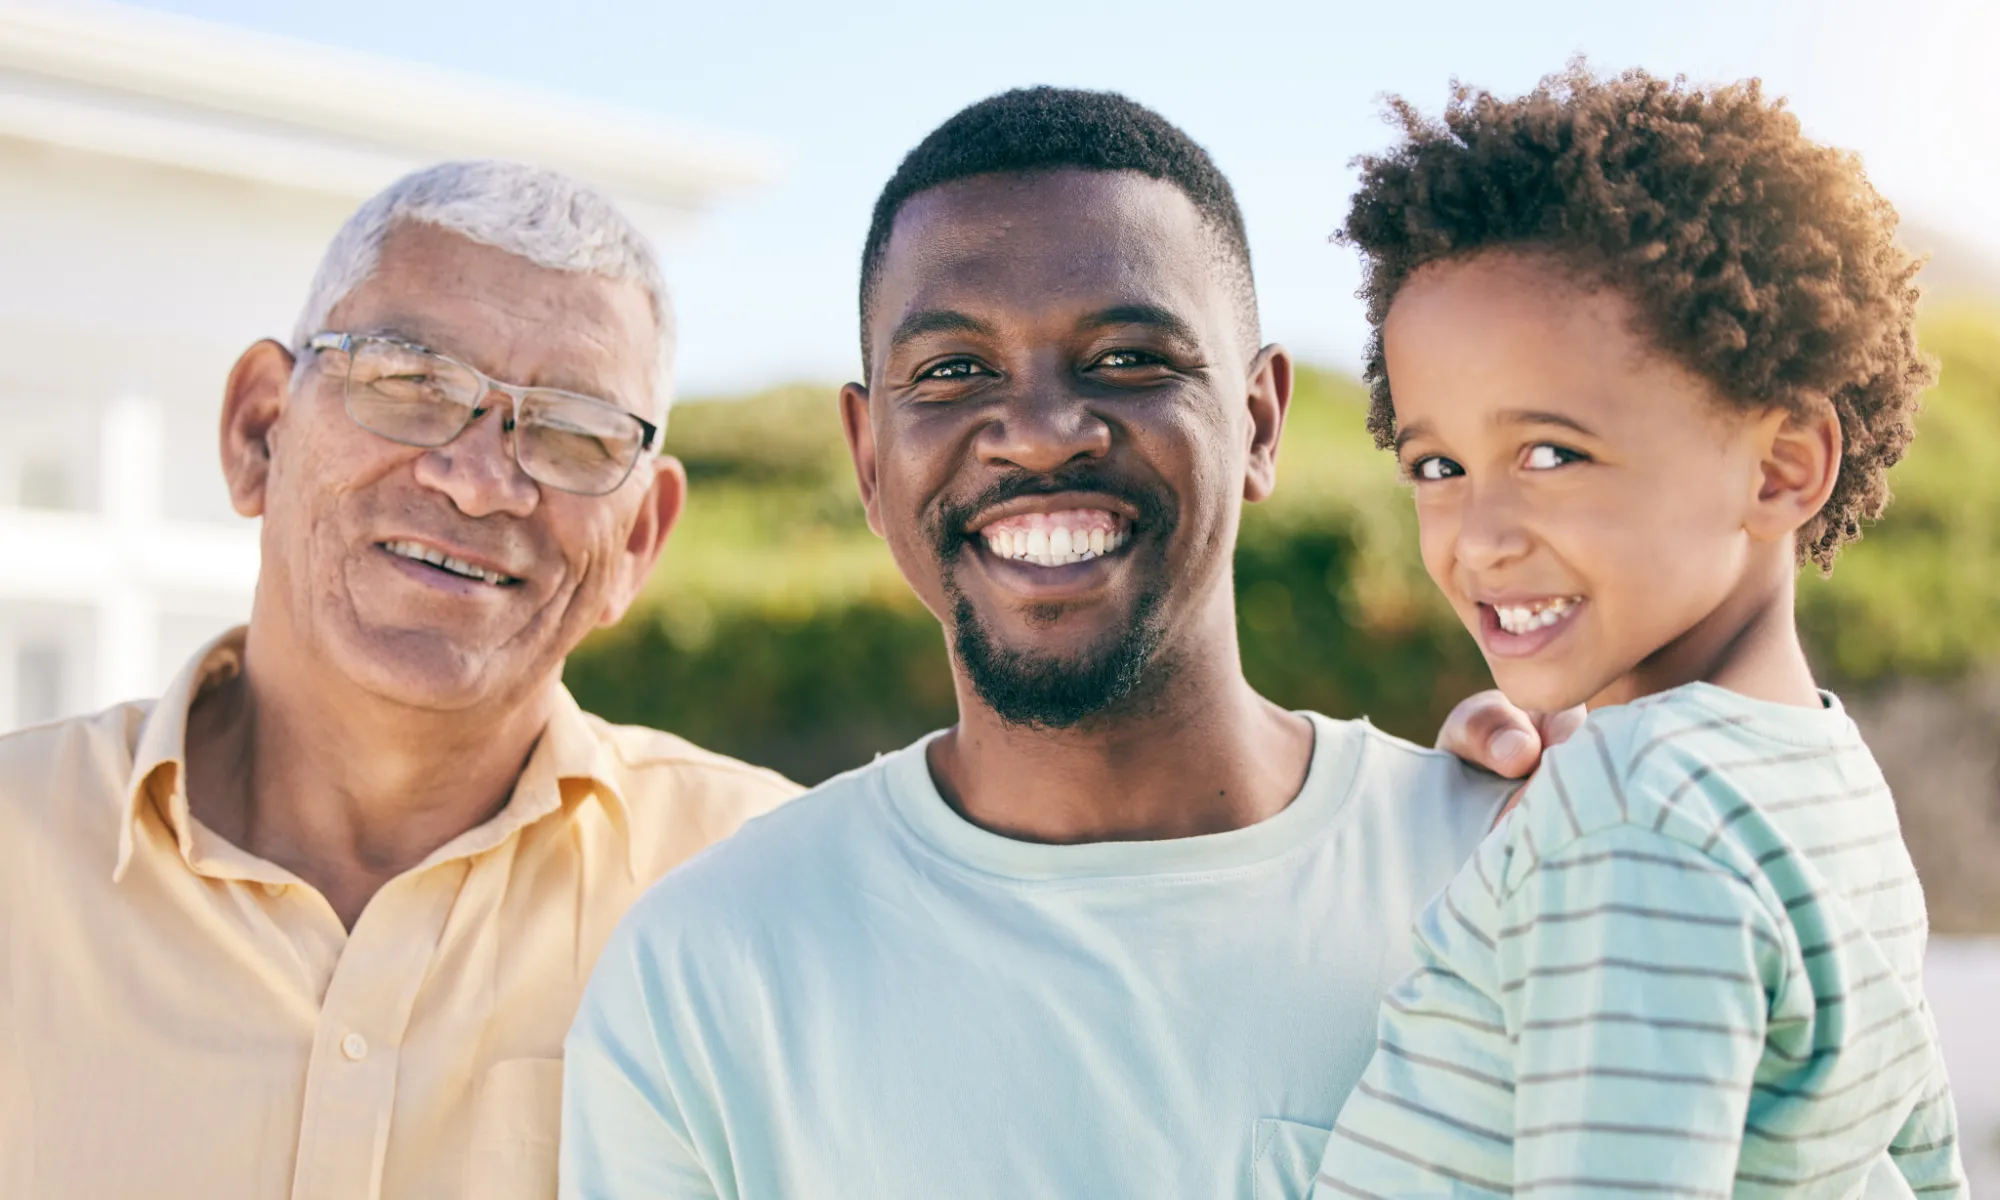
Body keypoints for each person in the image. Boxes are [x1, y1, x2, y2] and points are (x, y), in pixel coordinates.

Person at [561, 86, 1554, 1200]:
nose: (1038, 431)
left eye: (1127, 358)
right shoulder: (708, 973)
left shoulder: (1520, 872)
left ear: (1258, 422)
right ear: (866, 457)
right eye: (951, 371)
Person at [0, 161, 801, 1200]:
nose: (476, 480)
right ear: (259, 432)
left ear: (640, 539)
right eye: (409, 384)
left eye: (568, 432)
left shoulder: (767, 901)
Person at [1315, 67, 1966, 1197]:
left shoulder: (1631, 815)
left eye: (1551, 454)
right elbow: (1914, 1161)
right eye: (1436, 466)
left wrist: (1596, 805)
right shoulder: (1825, 779)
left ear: (1779, 466)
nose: (1477, 538)